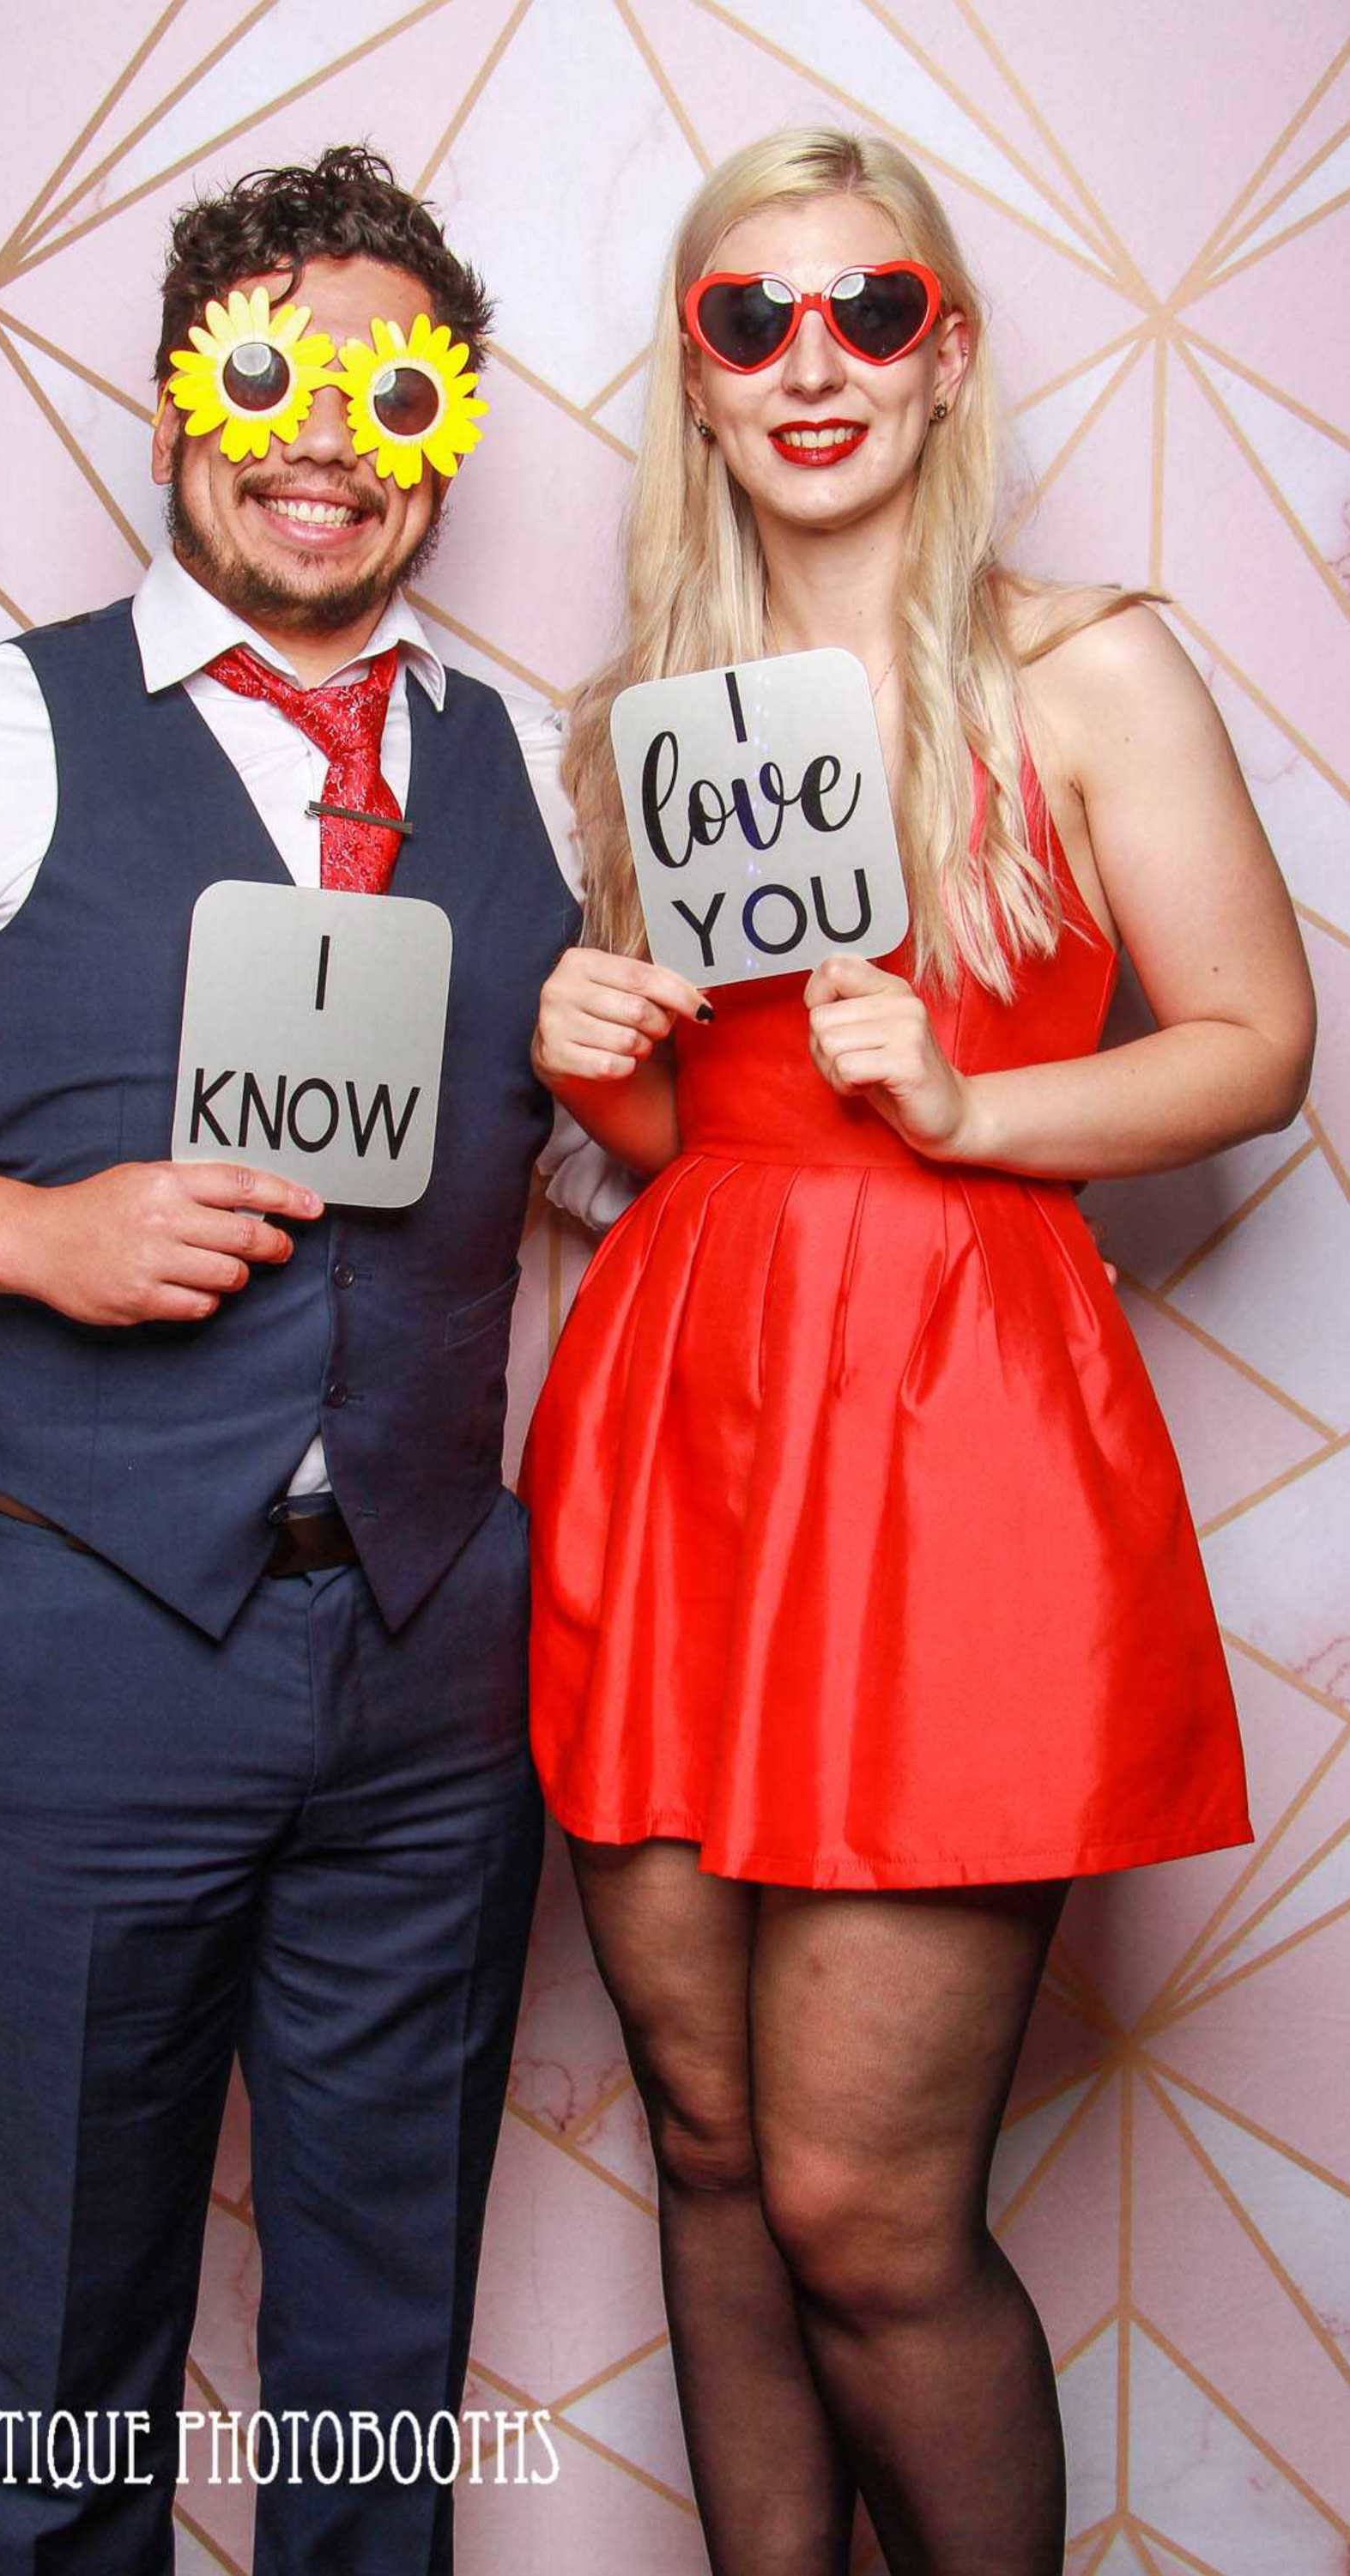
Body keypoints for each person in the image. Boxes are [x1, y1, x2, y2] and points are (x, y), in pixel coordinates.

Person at [0, 146, 608, 2576]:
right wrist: (32, 1228)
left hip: (430, 1664)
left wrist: (640, 1066)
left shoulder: (520, 766)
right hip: (86, 1643)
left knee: (383, 2351)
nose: (328, 432)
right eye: (271, 368)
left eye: (394, 385)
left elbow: (612, 1174)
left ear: (448, 427)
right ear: (184, 395)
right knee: (74, 2346)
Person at [522, 129, 1316, 2576]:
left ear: (948, 346)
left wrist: (978, 1099)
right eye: (751, 322)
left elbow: (1257, 1043)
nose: (816, 362)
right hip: (689, 1419)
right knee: (721, 2140)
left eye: (872, 308)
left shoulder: (1087, 663)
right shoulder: (662, 708)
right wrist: (596, 1055)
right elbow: (699, 1137)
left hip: (959, 1425)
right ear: (699, 378)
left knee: (870, 2202)